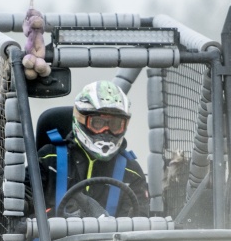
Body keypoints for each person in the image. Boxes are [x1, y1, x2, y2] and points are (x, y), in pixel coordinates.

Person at [28, 80, 150, 218]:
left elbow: (138, 224)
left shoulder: (132, 172)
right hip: (52, 232)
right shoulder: (48, 158)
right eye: (98, 123)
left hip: (111, 232)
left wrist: (103, 220)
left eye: (115, 124)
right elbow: (20, 211)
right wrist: (58, 214)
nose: (106, 131)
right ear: (80, 119)